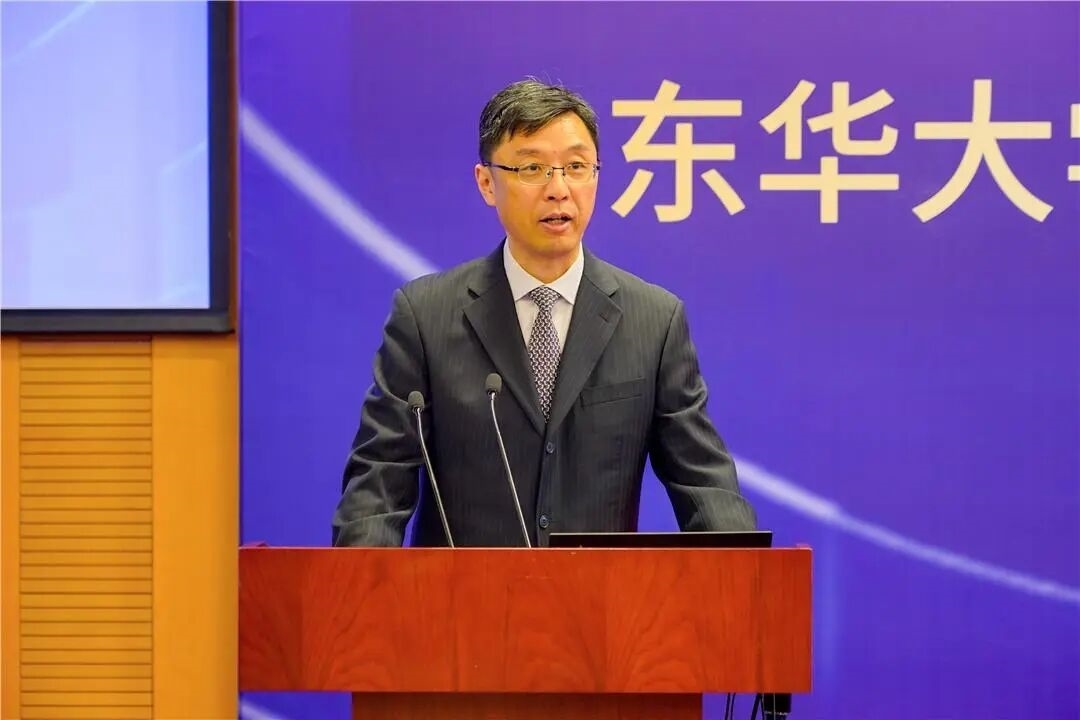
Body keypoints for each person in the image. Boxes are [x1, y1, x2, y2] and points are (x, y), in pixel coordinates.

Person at [332, 79, 756, 547]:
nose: (559, 190)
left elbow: (706, 487)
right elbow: (377, 487)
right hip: (463, 593)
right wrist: (362, 584)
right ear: (487, 183)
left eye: (576, 167)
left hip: (599, 594)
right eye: (532, 168)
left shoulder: (654, 321)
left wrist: (747, 578)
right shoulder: (425, 316)